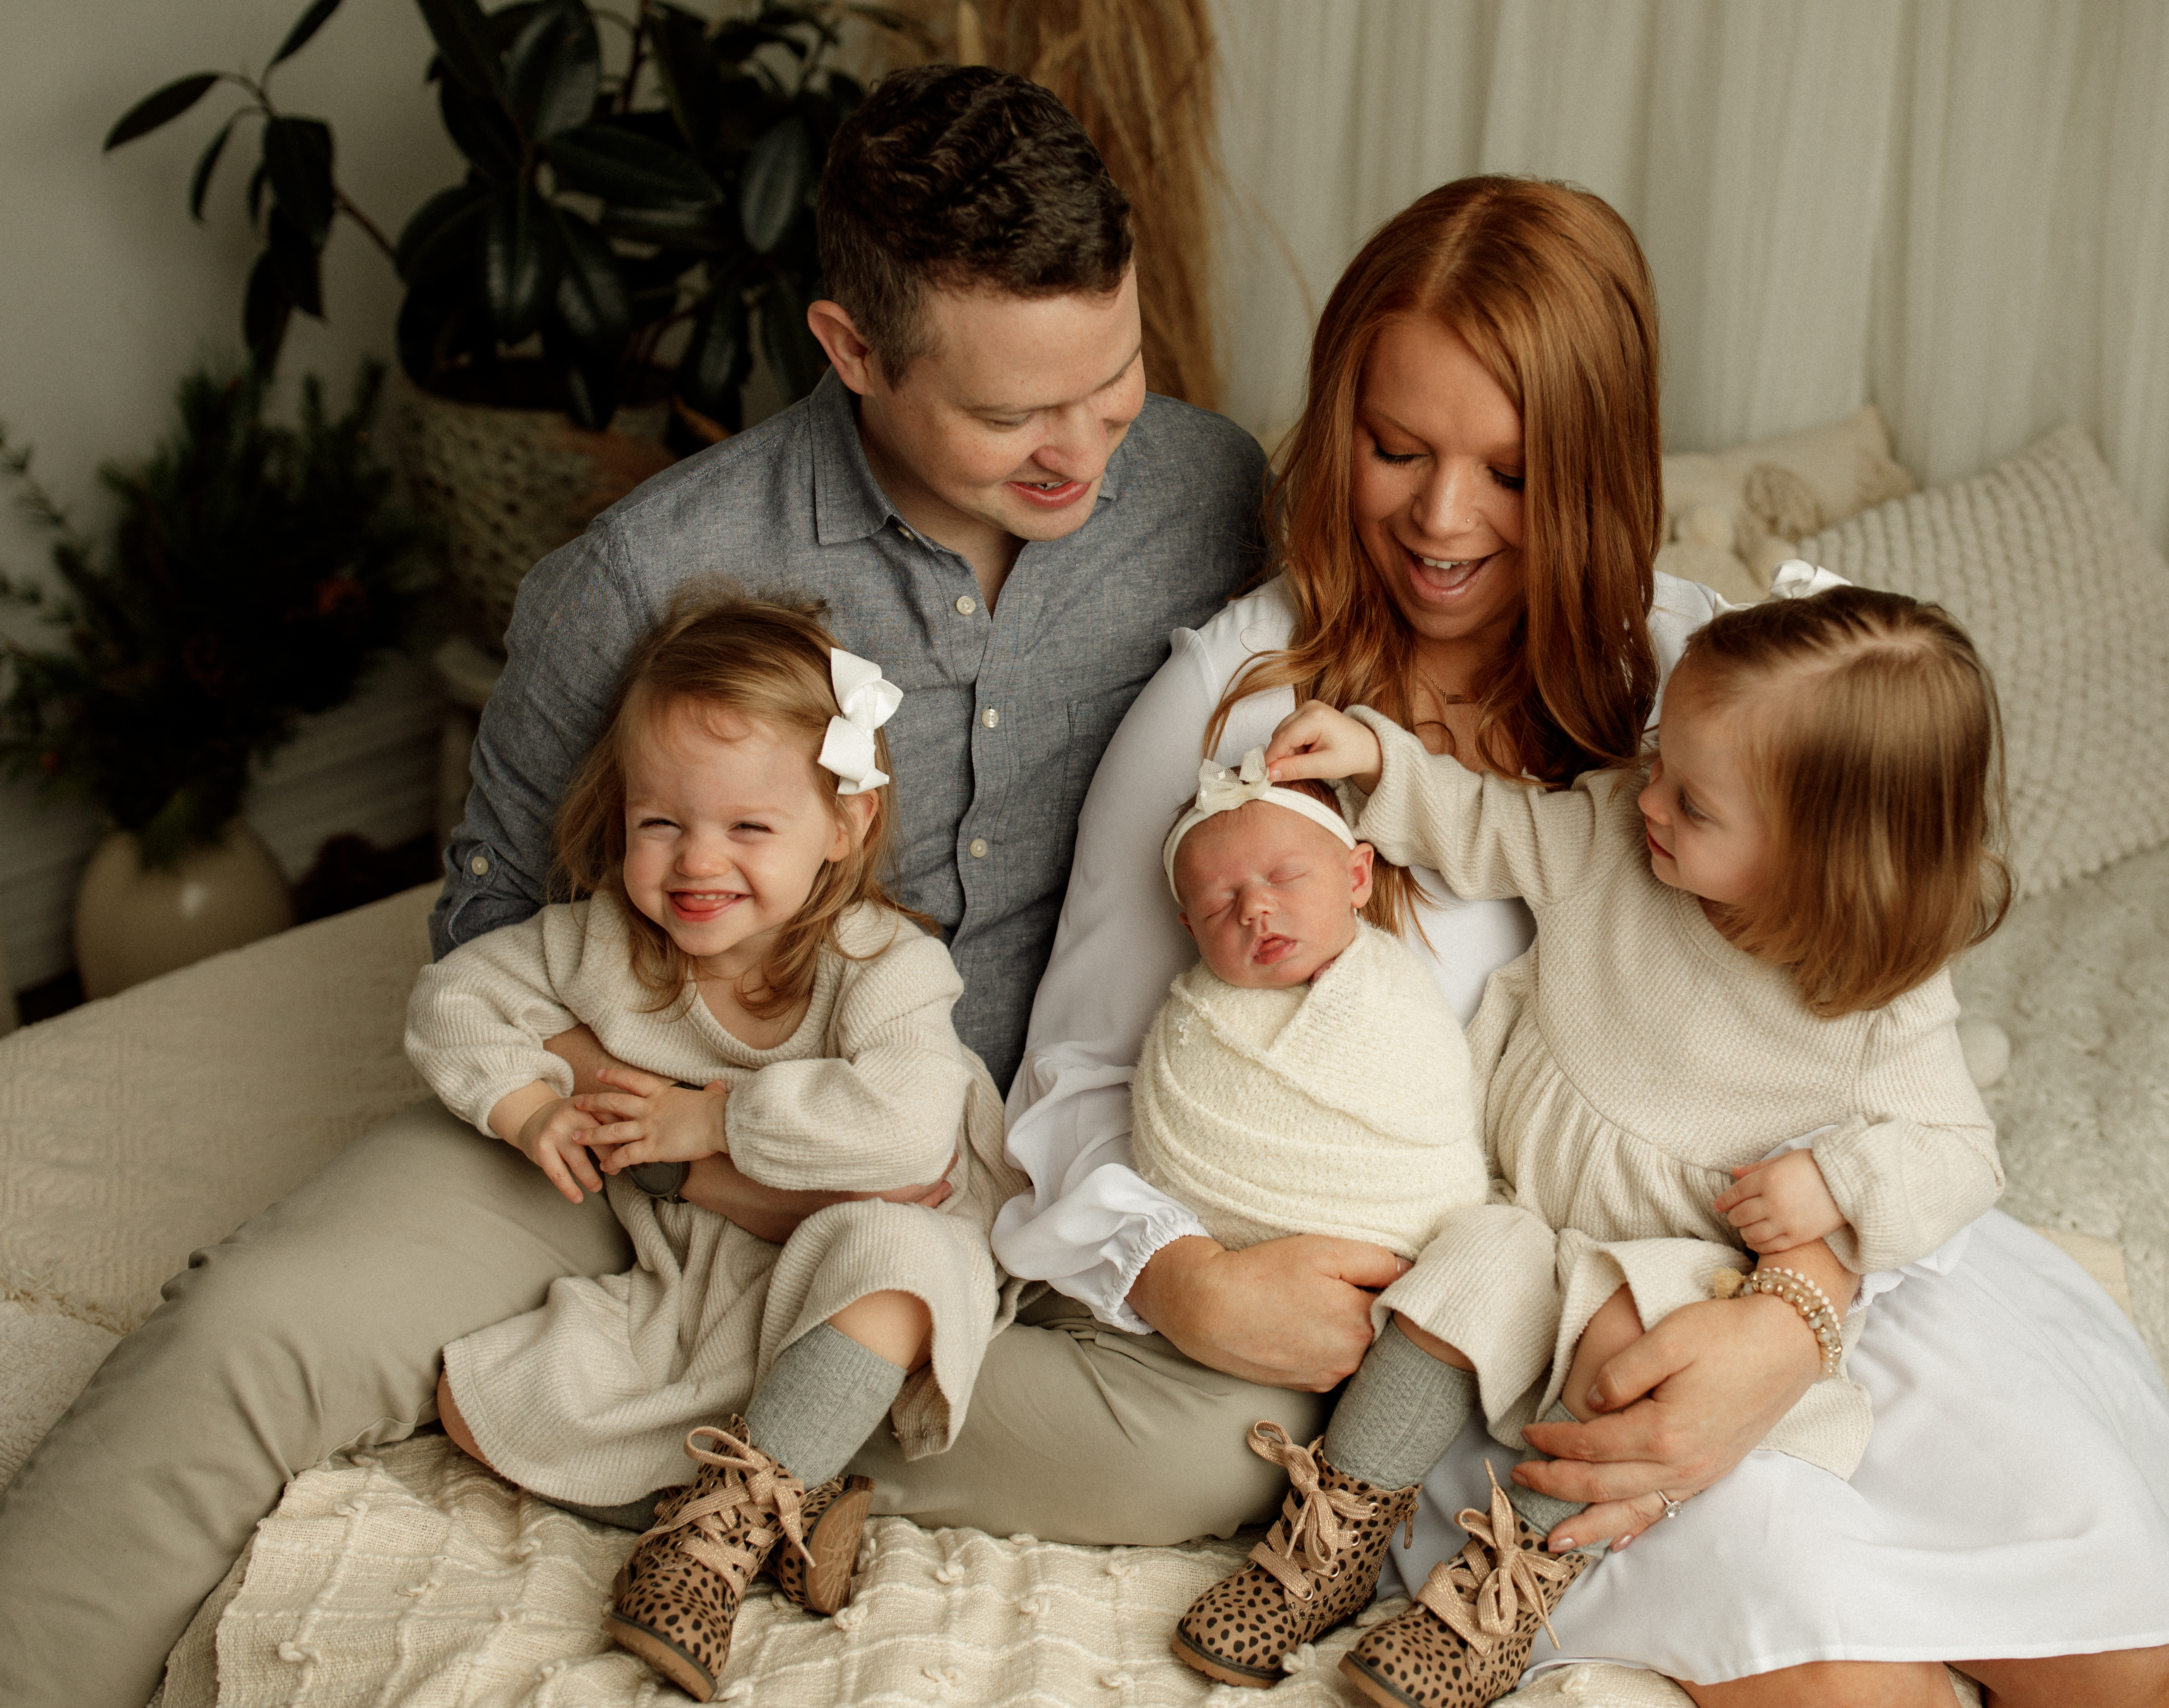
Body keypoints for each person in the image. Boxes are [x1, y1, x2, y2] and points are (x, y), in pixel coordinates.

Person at [0, 65, 1276, 1708]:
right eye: (1012, 415)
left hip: (961, 1170)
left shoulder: (1210, 494)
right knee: (254, 1325)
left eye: (1112, 382)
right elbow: (494, 937)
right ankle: (741, 1431)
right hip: (641, 1131)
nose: (1082, 450)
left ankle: (638, 1419)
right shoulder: (645, 573)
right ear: (849, 349)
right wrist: (697, 1151)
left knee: (1216, 1446)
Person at [1003, 176, 2169, 1705]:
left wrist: (1797, 1311)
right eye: (1393, 448)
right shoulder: (1239, 708)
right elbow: (1064, 1093)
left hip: (1821, 1270)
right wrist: (1181, 1278)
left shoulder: (1695, 664)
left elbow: (1866, 1007)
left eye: (1507, 471)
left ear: (1593, 465)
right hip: (1532, 1323)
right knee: (1848, 1678)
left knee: (2137, 1651)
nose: (1440, 520)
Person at [408, 593, 1027, 1699]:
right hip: (705, 1260)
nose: (697, 862)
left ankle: (718, 1531)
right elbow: (454, 998)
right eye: (661, 823)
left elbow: (907, 1136)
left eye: (749, 827)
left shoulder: (883, 961)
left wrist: (712, 1115)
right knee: (480, 1401)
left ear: (841, 826)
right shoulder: (605, 943)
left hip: (877, 1251)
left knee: (904, 1261)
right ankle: (792, 1483)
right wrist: (529, 1106)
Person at [1132, 753, 1486, 1263]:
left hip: (1412, 1241)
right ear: (1192, 931)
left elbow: (1436, 1097)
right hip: (1252, 1271)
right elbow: (1163, 1143)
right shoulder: (1193, 1020)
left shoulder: (1394, 988)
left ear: (1357, 877)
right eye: (1216, 906)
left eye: (1286, 875)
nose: (1254, 908)